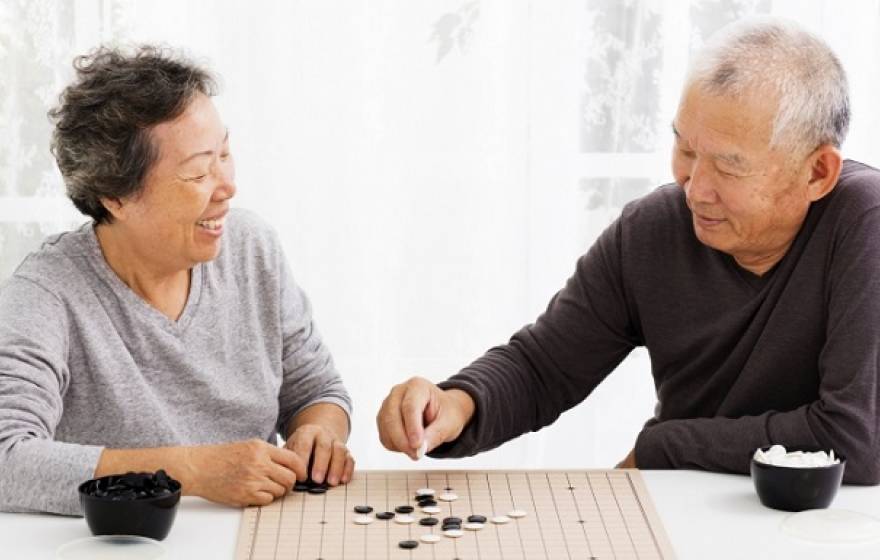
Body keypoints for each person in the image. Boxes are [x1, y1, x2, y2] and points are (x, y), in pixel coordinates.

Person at [377, 18, 880, 484]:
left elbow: (856, 441)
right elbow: (545, 367)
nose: (693, 187)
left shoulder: (865, 224)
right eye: (685, 149)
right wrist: (456, 403)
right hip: (688, 504)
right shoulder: (652, 230)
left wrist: (665, 446)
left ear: (817, 173)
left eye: (728, 167)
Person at [0, 46, 354, 516]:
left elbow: (317, 393)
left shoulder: (252, 248)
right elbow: (8, 460)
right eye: (198, 171)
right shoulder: (48, 292)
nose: (226, 187)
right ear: (116, 197)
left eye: (224, 154)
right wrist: (191, 471)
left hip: (252, 534)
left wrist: (319, 433)